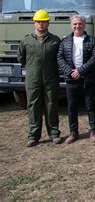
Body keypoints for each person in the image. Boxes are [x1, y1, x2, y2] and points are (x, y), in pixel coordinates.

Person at [18, 9, 62, 147]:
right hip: (33, 79)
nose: (41, 24)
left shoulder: (55, 40)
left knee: (51, 106)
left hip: (51, 78)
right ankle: (33, 136)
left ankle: (54, 134)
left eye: (43, 22)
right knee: (33, 107)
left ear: (48, 23)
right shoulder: (26, 40)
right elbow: (21, 58)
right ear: (34, 23)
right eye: (38, 22)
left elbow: (59, 58)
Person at [57, 14, 95, 144]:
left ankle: (93, 131)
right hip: (71, 79)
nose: (77, 26)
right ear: (71, 25)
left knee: (90, 105)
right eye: (75, 24)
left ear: (84, 25)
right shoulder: (64, 42)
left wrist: (80, 71)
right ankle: (73, 133)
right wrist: (69, 72)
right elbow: (59, 58)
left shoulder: (92, 41)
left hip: (87, 78)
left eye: (80, 24)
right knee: (72, 107)